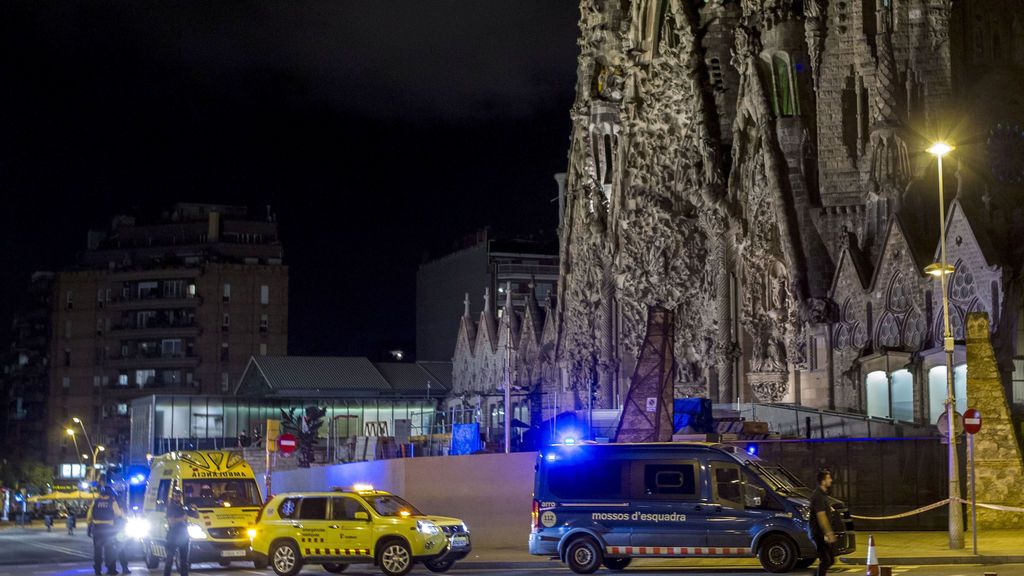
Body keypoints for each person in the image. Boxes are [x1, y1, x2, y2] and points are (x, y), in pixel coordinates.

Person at [87, 480, 124, 576]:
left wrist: (89, 526)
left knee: (97, 552)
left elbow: (89, 515)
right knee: (110, 551)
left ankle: (97, 570)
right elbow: (118, 514)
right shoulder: (112, 502)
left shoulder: (95, 502)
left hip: (97, 529)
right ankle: (111, 569)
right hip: (108, 529)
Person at [810, 470, 836, 576]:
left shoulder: (823, 495)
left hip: (821, 533)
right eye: (828, 478)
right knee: (826, 560)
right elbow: (821, 516)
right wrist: (829, 533)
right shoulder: (818, 496)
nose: (831, 480)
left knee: (830, 560)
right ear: (823, 481)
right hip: (818, 533)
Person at [164, 488, 190, 576]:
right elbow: (171, 521)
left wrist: (195, 508)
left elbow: (194, 515)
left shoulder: (183, 507)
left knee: (184, 560)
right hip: (173, 536)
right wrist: (182, 518)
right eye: (176, 496)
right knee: (169, 559)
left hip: (184, 536)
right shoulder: (170, 507)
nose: (178, 498)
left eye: (179, 496)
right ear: (173, 497)